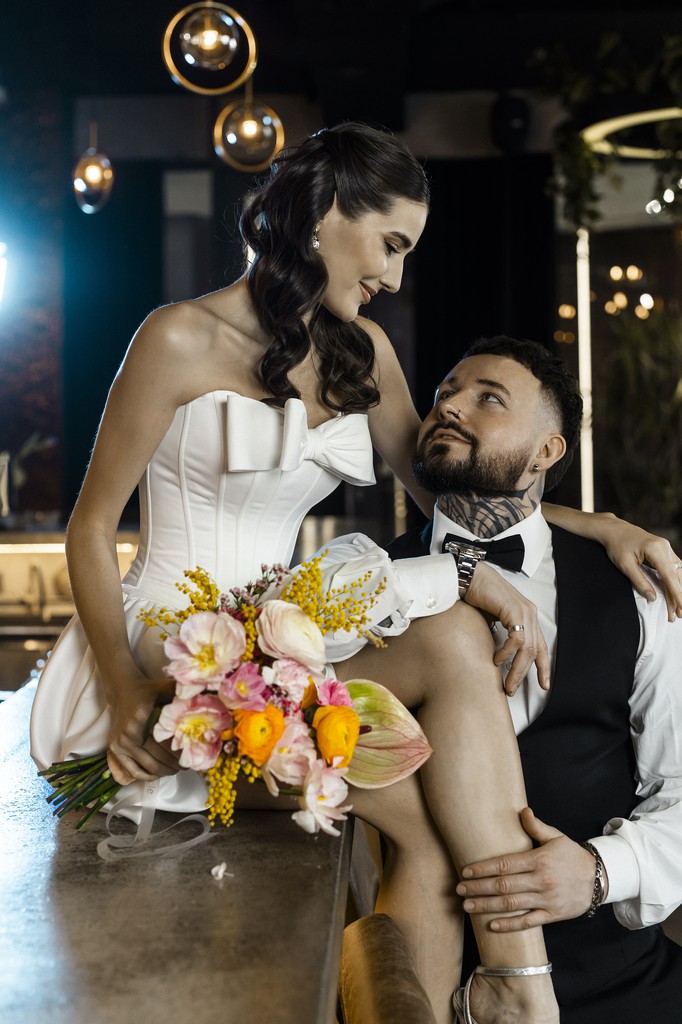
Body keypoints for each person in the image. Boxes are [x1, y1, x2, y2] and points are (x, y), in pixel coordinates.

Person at [28, 124, 680, 1024]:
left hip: (294, 636)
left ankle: (505, 988)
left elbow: (455, 487)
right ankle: (520, 987)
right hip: (168, 641)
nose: (396, 278)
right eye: (391, 245)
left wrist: (599, 524)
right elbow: (91, 528)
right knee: (433, 759)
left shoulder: (361, 351)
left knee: (441, 734)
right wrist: (125, 684)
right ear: (324, 214)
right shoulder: (175, 337)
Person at [338, 334, 682, 1023]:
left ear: (546, 451)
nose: (449, 406)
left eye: (488, 399)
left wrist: (600, 872)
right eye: (445, 393)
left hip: (620, 989)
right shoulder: (366, 586)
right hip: (422, 986)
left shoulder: (635, 591)